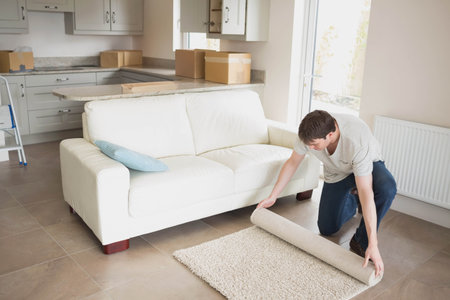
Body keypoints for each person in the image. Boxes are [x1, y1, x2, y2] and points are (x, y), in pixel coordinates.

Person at [257, 110, 396, 277]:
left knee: (387, 188)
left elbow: (366, 190)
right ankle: (352, 198)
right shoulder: (309, 134)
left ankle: (362, 240)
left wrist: (373, 244)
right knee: (327, 228)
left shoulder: (357, 140)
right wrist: (273, 196)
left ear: (330, 135)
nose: (310, 148)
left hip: (368, 167)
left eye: (314, 145)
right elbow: (293, 163)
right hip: (337, 172)